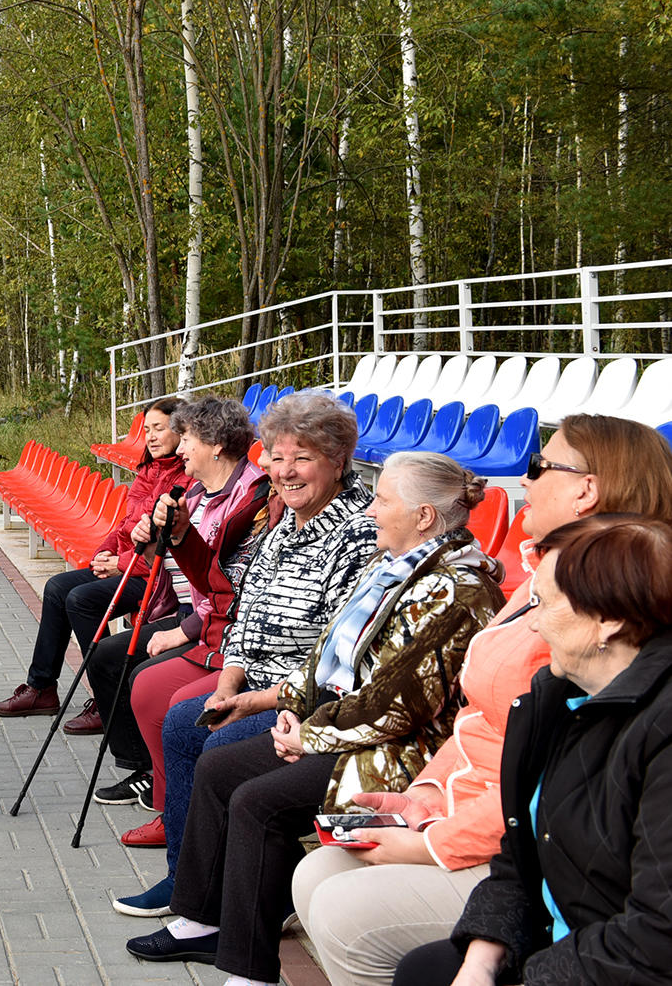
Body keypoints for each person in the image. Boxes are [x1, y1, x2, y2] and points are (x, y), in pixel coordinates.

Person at [291, 415, 672, 986]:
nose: (525, 478)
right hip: (486, 820)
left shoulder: (593, 628)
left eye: (540, 467)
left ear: (586, 489)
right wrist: (424, 797)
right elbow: (479, 724)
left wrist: (434, 843)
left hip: (518, 847)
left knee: (342, 907)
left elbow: (547, 808)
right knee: (315, 873)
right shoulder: (548, 581)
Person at [123, 450, 503, 985]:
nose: (371, 510)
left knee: (258, 802)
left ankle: (249, 971)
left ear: (424, 517)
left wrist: (312, 734)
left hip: (395, 754)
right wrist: (284, 705)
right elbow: (329, 655)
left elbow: (397, 705)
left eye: (384, 500)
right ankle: (202, 918)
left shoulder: (455, 591)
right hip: (344, 727)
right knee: (219, 768)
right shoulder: (394, 564)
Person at [394, 514, 672, 985]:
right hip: (564, 941)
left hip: (614, 964)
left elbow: (654, 938)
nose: (534, 625)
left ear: (608, 621)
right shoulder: (556, 696)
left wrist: (531, 978)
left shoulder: (660, 733)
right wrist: (481, 961)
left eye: (543, 603)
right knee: (424, 970)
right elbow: (522, 852)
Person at [108, 391, 375, 857]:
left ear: (337, 461)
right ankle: (182, 859)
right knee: (177, 713)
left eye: (302, 458)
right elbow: (241, 603)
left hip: (301, 696)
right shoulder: (281, 522)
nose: (285, 471)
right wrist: (229, 679)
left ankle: (200, 873)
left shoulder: (278, 508)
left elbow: (334, 659)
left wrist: (247, 694)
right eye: (277, 458)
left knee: (207, 740)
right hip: (241, 659)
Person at [78, 396, 270, 813]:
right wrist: (147, 543)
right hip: (192, 613)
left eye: (188, 439)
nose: (180, 449)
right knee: (107, 651)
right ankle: (145, 770)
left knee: (145, 676)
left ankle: (164, 785)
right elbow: (170, 569)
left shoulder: (247, 499)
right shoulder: (198, 492)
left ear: (216, 444)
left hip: (213, 626)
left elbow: (226, 588)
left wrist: (178, 632)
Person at [0, 396, 188, 731]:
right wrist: (104, 552)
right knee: (57, 587)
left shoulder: (183, 480)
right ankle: (42, 687)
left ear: (182, 431)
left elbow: (165, 551)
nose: (151, 437)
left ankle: (106, 697)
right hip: (127, 564)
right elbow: (127, 524)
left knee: (81, 600)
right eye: (146, 430)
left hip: (156, 578)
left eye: (159, 428)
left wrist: (119, 564)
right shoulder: (148, 470)